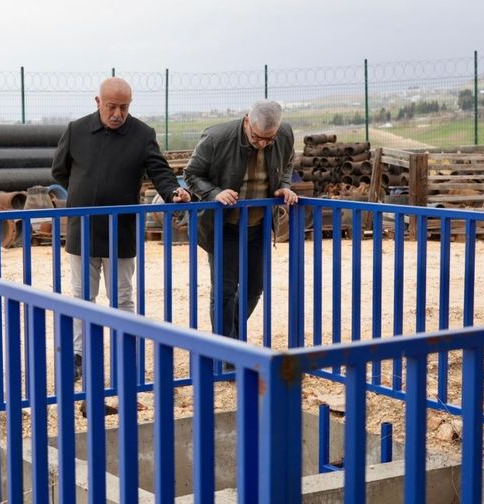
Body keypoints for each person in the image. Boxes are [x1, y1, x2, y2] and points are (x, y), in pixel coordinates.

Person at [51, 77, 190, 380]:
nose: (117, 113)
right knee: (81, 296)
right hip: (83, 228)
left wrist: (173, 192)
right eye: (111, 106)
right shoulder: (76, 130)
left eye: (123, 107)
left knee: (123, 297)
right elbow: (59, 170)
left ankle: (124, 350)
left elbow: (159, 170)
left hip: (121, 230)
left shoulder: (142, 134)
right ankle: (78, 355)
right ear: (97, 102)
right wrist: (81, 195)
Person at [183, 100, 298, 361]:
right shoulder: (216, 137)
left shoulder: (284, 134)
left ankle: (228, 342)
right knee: (224, 291)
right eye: (257, 138)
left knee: (255, 287)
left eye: (269, 140)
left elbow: (288, 161)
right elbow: (191, 174)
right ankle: (225, 355)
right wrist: (214, 193)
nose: (262, 144)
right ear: (247, 121)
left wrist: (283, 184)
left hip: (259, 225)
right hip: (225, 225)